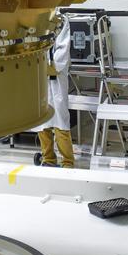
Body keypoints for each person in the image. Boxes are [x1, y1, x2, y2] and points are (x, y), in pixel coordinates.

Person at [37, 13, 74, 167]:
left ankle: (67, 161)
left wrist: (52, 67)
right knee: (40, 119)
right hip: (37, 74)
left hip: (56, 76)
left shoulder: (60, 19)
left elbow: (63, 47)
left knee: (60, 117)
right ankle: (48, 159)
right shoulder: (34, 16)